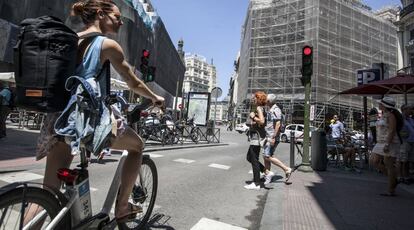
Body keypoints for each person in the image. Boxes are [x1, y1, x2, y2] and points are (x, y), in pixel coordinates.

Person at [33, 0, 164, 223]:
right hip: (85, 121)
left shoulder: (71, 39)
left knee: (46, 195)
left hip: (58, 119)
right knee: (137, 147)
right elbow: (132, 82)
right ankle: (122, 208)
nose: (121, 21)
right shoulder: (107, 45)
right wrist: (154, 97)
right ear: (101, 14)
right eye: (117, 16)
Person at [371, 97, 402, 197]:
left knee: (388, 164)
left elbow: (392, 130)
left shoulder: (391, 115)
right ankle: (393, 179)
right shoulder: (384, 115)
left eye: (380, 104)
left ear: (384, 106)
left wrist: (388, 144)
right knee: (374, 161)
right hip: (380, 142)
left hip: (390, 142)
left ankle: (391, 189)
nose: (379, 105)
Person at [262, 94, 292, 184]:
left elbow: (278, 124)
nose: (265, 101)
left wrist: (274, 137)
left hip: (272, 136)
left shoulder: (276, 109)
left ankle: (286, 169)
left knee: (267, 156)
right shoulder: (271, 109)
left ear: (269, 101)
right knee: (266, 156)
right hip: (269, 136)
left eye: (266, 100)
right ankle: (267, 176)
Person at [244, 91, 267, 190]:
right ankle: (266, 172)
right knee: (250, 157)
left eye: (255, 97)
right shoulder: (259, 108)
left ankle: (256, 183)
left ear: (259, 99)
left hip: (256, 138)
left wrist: (253, 117)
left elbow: (262, 121)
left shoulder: (259, 108)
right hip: (255, 136)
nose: (253, 99)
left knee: (253, 159)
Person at [398, 104, 414, 184]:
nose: (411, 110)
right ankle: (401, 177)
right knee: (402, 160)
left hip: (411, 142)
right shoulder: (400, 119)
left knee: (408, 161)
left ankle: (407, 177)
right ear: (404, 110)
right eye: (410, 109)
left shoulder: (410, 119)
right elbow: (398, 130)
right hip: (404, 142)